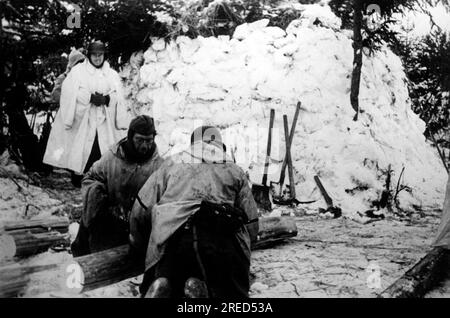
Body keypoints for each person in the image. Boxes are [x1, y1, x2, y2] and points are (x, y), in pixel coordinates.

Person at [129, 125, 259, 298]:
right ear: (220, 145)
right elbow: (251, 221)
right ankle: (199, 288)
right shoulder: (234, 169)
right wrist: (245, 249)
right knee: (230, 291)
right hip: (219, 237)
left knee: (168, 271)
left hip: (174, 234)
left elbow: (141, 207)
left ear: (192, 145)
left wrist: (140, 243)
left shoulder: (171, 163)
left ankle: (164, 282)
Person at [71, 115, 163, 257]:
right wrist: (103, 201)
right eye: (140, 140)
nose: (145, 146)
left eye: (149, 140)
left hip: (138, 225)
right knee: (92, 248)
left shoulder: (158, 166)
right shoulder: (113, 157)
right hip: (107, 218)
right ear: (131, 137)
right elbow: (90, 178)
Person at [43, 40, 129, 188]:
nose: (97, 58)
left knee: (100, 148)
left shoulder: (112, 74)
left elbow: (119, 96)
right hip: (83, 119)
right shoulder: (77, 72)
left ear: (104, 55)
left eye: (100, 55)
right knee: (81, 148)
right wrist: (89, 98)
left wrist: (107, 99)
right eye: (94, 55)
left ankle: (100, 178)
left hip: (103, 120)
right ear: (89, 55)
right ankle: (78, 176)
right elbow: (69, 92)